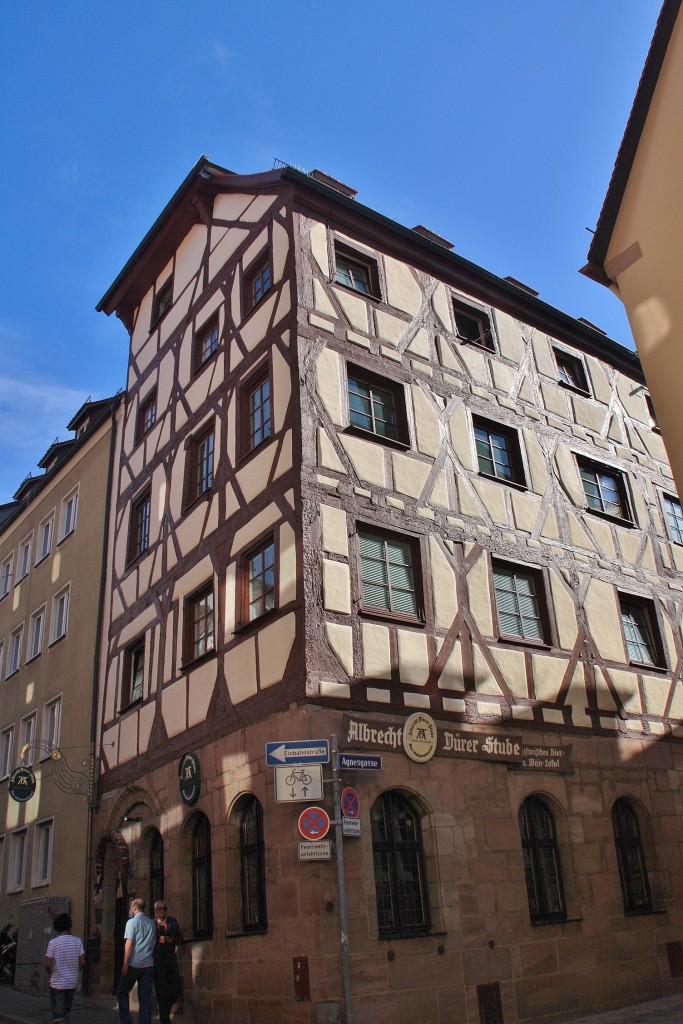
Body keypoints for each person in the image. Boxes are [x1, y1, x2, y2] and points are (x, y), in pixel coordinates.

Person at [117, 898, 156, 1024]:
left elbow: (129, 943)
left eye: (131, 907)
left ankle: (126, 1021)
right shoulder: (151, 923)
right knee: (145, 998)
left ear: (134, 907)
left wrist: (125, 963)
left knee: (122, 992)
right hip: (148, 963)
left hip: (134, 963)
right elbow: (153, 942)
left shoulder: (132, 922)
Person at [44, 913, 85, 1024]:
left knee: (59, 1016)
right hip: (72, 982)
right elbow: (82, 961)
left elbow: (47, 964)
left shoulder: (53, 943)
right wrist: (76, 971)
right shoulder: (77, 941)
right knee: (66, 1013)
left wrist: (51, 973)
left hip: (58, 983)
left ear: (57, 927)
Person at [153, 900, 183, 1024]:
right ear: (156, 911)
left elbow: (180, 938)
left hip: (170, 960)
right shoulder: (152, 924)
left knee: (176, 989)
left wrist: (172, 940)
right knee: (161, 991)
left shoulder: (172, 922)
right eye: (159, 909)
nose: (162, 911)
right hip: (157, 962)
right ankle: (164, 1019)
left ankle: (165, 1014)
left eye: (164, 908)